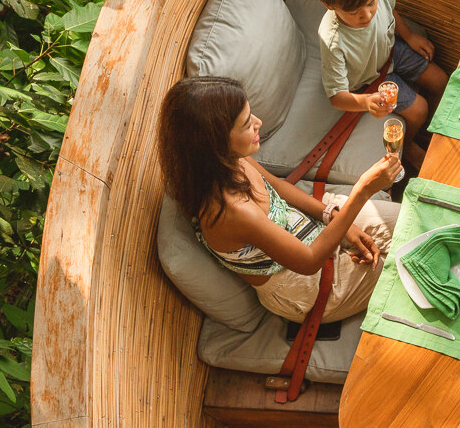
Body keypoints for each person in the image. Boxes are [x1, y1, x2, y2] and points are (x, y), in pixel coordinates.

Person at [163, 77, 402, 324]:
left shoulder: (227, 161)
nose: (258, 123)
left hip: (310, 226)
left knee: (411, 221)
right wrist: (362, 191)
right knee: (405, 268)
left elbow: (278, 186)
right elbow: (309, 261)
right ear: (216, 144)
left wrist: (333, 215)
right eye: (246, 125)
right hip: (302, 285)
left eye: (251, 114)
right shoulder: (232, 210)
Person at [314, 0, 448, 175]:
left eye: (370, 4)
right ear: (329, 5)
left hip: (390, 51)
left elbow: (389, 9)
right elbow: (336, 96)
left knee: (440, 81)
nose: (366, 15)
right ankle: (408, 147)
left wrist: (408, 36)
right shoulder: (333, 39)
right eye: (353, 13)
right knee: (419, 110)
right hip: (368, 79)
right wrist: (366, 101)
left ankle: (433, 133)